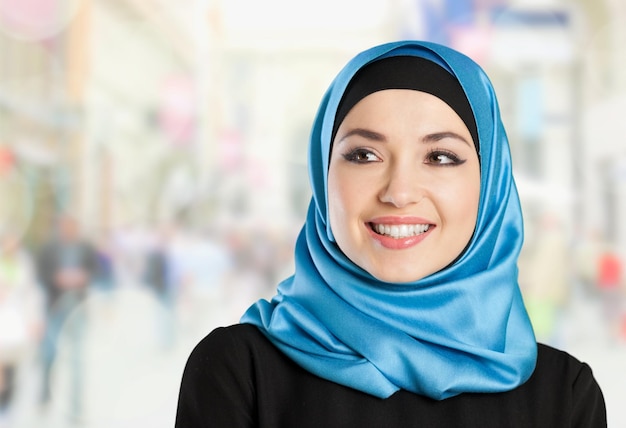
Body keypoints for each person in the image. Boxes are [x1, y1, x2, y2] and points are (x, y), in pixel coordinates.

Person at [175, 40, 606, 427]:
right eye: (364, 154)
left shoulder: (564, 398)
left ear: (489, 184)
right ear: (323, 178)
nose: (399, 193)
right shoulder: (238, 373)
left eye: (439, 157)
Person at [35, 214, 99, 422]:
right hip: (55, 308)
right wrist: (57, 278)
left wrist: (83, 277)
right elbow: (40, 274)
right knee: (49, 355)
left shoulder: (86, 248)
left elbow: (96, 271)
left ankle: (76, 406)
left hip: (78, 310)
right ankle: (45, 394)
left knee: (77, 359)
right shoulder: (49, 249)